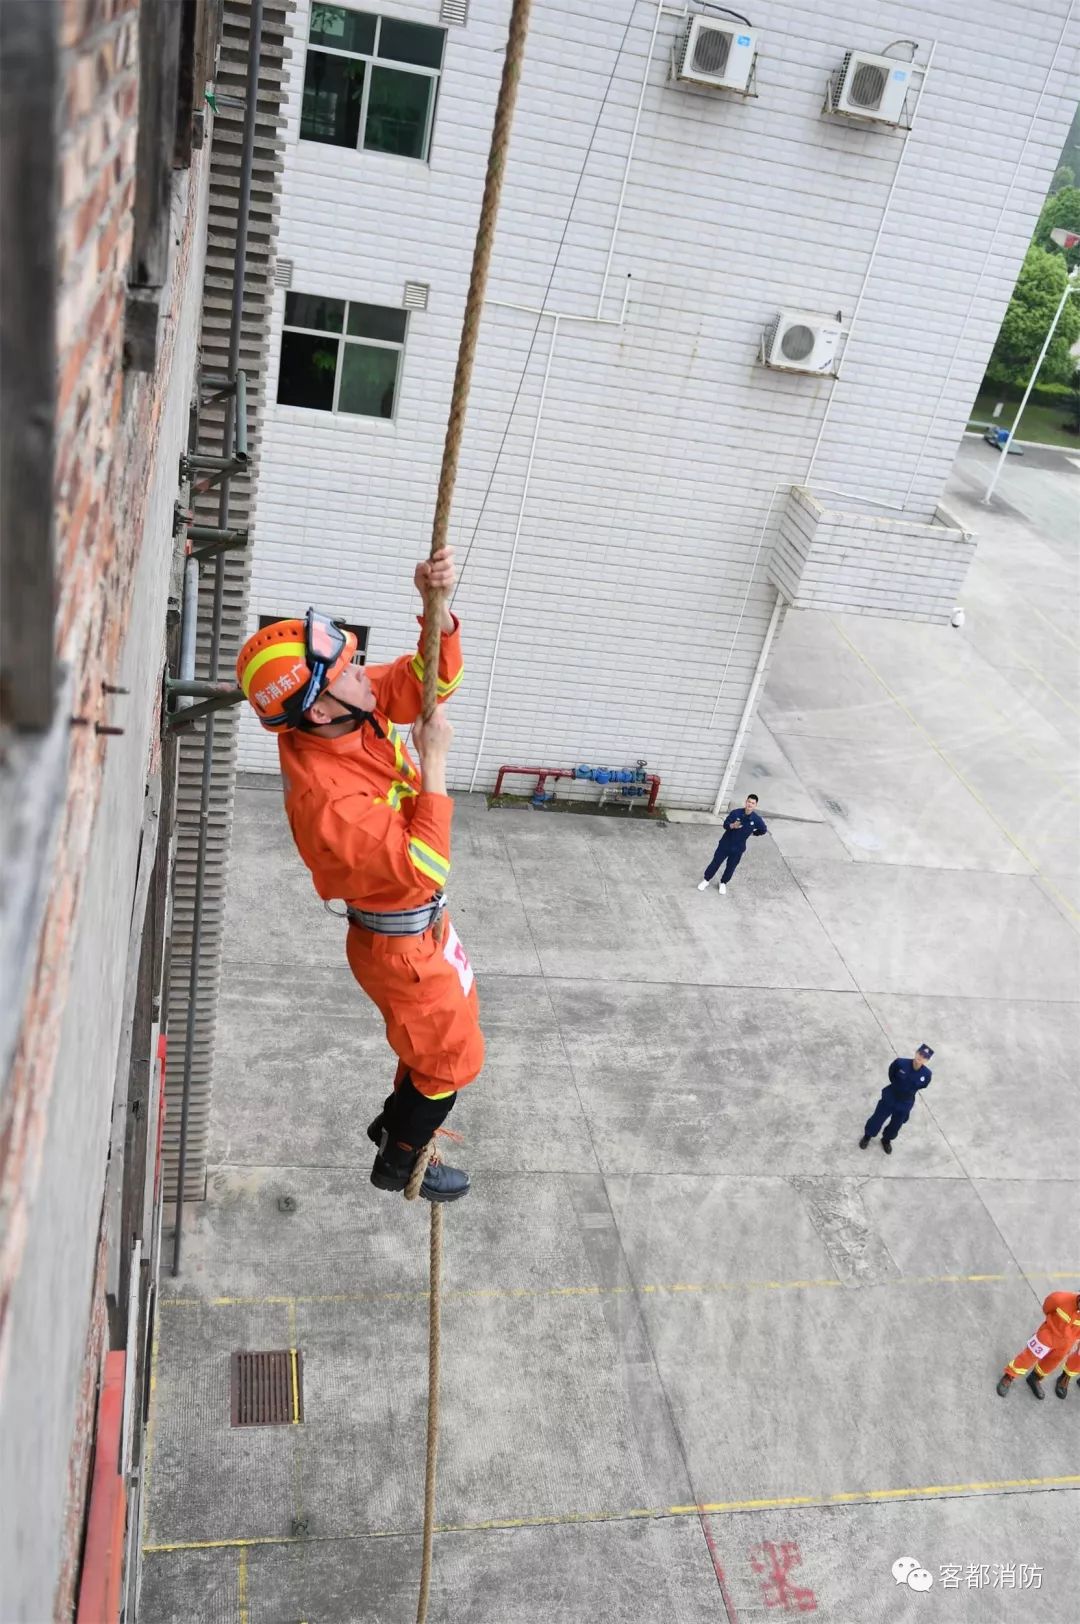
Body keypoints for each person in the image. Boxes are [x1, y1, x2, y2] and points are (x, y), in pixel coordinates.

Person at [235, 547, 482, 1203]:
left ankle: (392, 1123)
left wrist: (439, 615)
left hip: (418, 931)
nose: (363, 672)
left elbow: (425, 683)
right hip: (399, 944)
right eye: (347, 670)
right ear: (317, 708)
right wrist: (434, 764)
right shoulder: (326, 802)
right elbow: (423, 864)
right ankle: (399, 1162)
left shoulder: (342, 711)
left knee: (433, 1046)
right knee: (451, 1060)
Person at [997, 1292, 1080, 1399]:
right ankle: (1009, 1376)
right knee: (1028, 1357)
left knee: (1050, 1363)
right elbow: (1047, 1307)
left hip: (1065, 1345)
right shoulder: (1060, 1299)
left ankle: (1034, 1378)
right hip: (1048, 1336)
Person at [859, 1044, 933, 1155]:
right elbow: (891, 1074)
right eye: (920, 1053)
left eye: (925, 1057)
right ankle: (867, 1136)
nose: (921, 1057)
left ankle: (886, 1140)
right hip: (891, 1096)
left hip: (905, 1102)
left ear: (927, 1060)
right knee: (877, 1118)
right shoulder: (900, 1063)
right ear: (916, 1052)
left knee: (896, 1124)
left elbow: (923, 1085)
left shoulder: (926, 1074)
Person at [697, 794, 768, 893]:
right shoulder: (736, 813)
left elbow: (763, 830)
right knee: (715, 863)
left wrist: (754, 833)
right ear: (745, 802)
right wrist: (733, 825)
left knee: (731, 867)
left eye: (753, 803)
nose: (750, 805)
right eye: (749, 802)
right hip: (725, 844)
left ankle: (723, 883)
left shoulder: (756, 819)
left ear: (755, 805)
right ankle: (706, 880)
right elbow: (725, 824)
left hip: (738, 848)